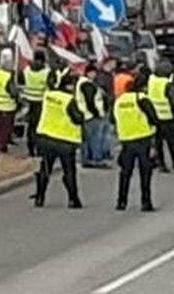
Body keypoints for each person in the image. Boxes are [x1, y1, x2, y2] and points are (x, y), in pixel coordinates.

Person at [33, 74, 87, 208]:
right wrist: (82, 114)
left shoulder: (48, 96)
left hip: (46, 137)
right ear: (69, 86)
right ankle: (73, 199)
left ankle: (39, 197)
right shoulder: (69, 100)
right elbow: (77, 118)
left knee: (45, 169)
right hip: (65, 141)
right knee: (69, 171)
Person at [113, 68, 162, 211]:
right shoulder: (141, 99)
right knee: (145, 173)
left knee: (125, 173)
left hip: (126, 140)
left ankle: (121, 201)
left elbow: (113, 118)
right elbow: (154, 118)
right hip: (143, 138)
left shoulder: (120, 101)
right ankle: (146, 202)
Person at [147, 59, 174, 174]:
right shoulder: (167, 84)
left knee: (158, 142)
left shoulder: (151, 80)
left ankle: (161, 164)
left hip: (154, 115)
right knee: (172, 143)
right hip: (167, 116)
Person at [82, 59, 116, 168]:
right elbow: (90, 101)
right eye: (92, 73)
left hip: (89, 114)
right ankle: (97, 158)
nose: (94, 75)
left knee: (89, 138)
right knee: (95, 138)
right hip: (91, 114)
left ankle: (89, 158)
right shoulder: (87, 84)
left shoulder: (88, 83)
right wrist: (96, 113)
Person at [21, 51, 52, 157]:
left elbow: (22, 81)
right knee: (40, 128)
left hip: (29, 102)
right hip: (41, 102)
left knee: (31, 127)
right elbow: (50, 86)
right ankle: (40, 150)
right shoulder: (47, 72)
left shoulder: (27, 70)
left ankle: (30, 149)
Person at [0, 53, 20, 156]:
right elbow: (13, 92)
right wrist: (19, 99)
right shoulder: (7, 77)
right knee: (5, 129)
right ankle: (1, 148)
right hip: (7, 107)